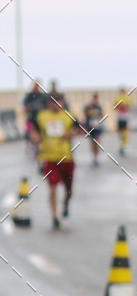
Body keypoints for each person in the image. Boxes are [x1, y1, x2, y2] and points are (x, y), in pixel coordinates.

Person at [31, 94, 84, 229]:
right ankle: (55, 217)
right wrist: (36, 138)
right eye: (52, 102)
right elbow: (33, 130)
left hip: (66, 158)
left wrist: (70, 134)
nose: (55, 105)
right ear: (49, 103)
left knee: (69, 189)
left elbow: (81, 130)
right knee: (52, 187)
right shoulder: (42, 116)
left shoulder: (69, 115)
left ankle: (66, 203)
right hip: (49, 158)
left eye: (57, 102)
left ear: (62, 103)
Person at [22, 80, 47, 155]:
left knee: (40, 133)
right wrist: (30, 107)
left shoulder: (42, 96)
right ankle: (31, 143)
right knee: (29, 131)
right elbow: (25, 107)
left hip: (40, 119)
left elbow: (45, 107)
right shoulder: (29, 96)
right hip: (30, 119)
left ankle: (39, 146)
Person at [83, 92, 104, 166]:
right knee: (92, 143)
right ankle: (94, 157)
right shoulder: (88, 106)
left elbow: (102, 116)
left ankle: (96, 158)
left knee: (97, 142)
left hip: (97, 127)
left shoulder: (99, 107)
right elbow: (85, 115)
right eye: (94, 98)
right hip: (90, 127)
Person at [113, 88, 131, 156]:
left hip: (123, 118)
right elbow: (116, 106)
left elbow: (127, 107)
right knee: (121, 133)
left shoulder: (124, 98)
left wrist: (121, 106)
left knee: (123, 133)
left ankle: (123, 145)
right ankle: (122, 145)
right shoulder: (120, 98)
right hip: (121, 118)